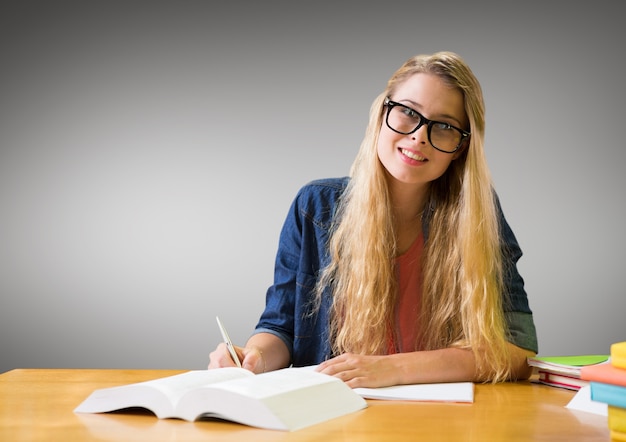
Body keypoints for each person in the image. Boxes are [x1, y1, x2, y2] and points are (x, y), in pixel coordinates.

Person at [208, 51, 538, 388]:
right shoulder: (316, 207)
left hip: (442, 422)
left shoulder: (477, 217)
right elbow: (280, 329)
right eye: (408, 113)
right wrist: (255, 358)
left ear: (461, 148)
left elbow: (520, 351)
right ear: (382, 114)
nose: (419, 136)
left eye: (444, 126)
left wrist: (393, 369)